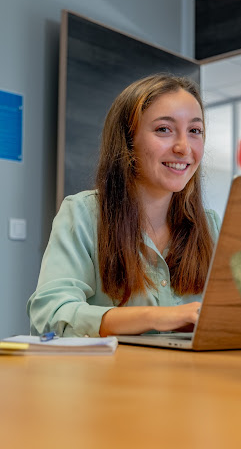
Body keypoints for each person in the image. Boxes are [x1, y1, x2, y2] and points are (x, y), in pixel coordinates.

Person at [27, 73, 221, 337]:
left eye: (195, 131)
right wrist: (160, 317)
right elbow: (50, 316)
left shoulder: (211, 225)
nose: (183, 147)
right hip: (110, 377)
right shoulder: (83, 214)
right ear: (128, 141)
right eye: (164, 129)